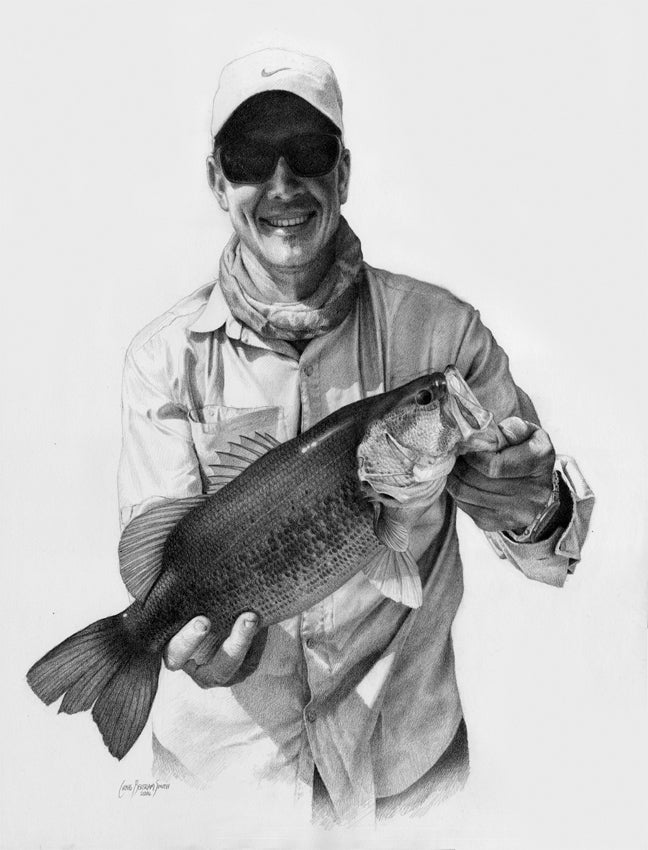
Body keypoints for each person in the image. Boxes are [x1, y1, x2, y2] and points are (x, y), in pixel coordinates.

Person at [117, 48, 594, 823]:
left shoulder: (445, 334)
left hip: (410, 784)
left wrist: (533, 505)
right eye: (250, 158)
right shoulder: (161, 358)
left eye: (307, 153)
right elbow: (153, 553)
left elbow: (556, 555)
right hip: (218, 798)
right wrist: (175, 641)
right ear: (217, 182)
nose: (281, 184)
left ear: (342, 174)